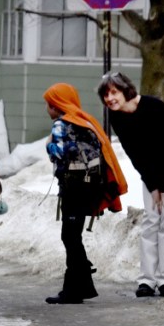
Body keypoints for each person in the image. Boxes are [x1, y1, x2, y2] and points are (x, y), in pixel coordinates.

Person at [98, 71, 164, 298]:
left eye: (114, 92)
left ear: (125, 90)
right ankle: (147, 280)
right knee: (151, 219)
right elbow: (137, 155)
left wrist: (162, 188)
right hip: (153, 171)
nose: (110, 98)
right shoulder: (117, 117)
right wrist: (154, 187)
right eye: (105, 95)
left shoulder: (153, 107)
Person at [42, 83, 124, 304]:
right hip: (91, 188)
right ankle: (82, 285)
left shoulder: (61, 124)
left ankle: (74, 288)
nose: (47, 109)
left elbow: (60, 153)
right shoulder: (85, 121)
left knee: (69, 236)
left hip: (73, 188)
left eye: (48, 105)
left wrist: (49, 146)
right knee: (73, 235)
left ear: (57, 105)